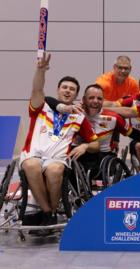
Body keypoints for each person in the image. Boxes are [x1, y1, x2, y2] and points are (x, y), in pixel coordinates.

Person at [20, 53, 99, 232]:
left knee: (55, 170)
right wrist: (40, 70)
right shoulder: (42, 106)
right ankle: (49, 212)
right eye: (64, 87)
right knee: (32, 165)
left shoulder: (78, 117)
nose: (67, 90)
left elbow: (96, 144)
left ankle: (48, 212)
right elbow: (37, 89)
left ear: (77, 94)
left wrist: (85, 145)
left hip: (57, 159)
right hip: (32, 155)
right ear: (58, 90)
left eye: (72, 89)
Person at [47, 84, 140, 180]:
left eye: (99, 99)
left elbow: (134, 134)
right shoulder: (74, 113)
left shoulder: (113, 117)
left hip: (103, 157)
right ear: (84, 99)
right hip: (76, 154)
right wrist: (63, 107)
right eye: (91, 98)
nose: (95, 101)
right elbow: (46, 99)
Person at [107, 73, 140, 172]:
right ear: (139, 87)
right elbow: (113, 105)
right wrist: (99, 107)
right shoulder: (132, 99)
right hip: (138, 140)